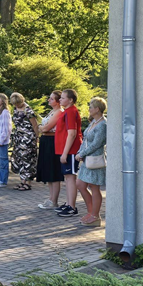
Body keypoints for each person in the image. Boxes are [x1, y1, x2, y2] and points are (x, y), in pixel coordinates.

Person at [76, 97, 107, 226]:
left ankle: (95, 216)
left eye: (90, 107)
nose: (88, 109)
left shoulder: (103, 124)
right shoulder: (93, 122)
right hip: (87, 159)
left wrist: (82, 153)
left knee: (94, 187)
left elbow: (96, 144)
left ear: (97, 109)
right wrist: (80, 152)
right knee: (80, 184)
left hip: (95, 160)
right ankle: (91, 212)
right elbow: (86, 140)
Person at [55, 89, 83, 217]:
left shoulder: (71, 112)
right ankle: (68, 203)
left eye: (63, 98)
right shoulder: (66, 111)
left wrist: (65, 153)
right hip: (65, 150)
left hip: (70, 150)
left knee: (71, 177)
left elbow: (72, 133)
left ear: (70, 100)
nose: (60, 100)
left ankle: (72, 207)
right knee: (67, 177)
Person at [36, 91, 65, 210]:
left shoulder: (59, 112)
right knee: (48, 171)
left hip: (52, 142)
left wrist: (42, 128)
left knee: (54, 171)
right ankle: (51, 198)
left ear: (58, 101)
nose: (49, 100)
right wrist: (42, 128)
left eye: (52, 99)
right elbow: (42, 127)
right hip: (46, 141)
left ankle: (54, 200)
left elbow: (46, 127)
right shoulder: (52, 112)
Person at [9, 92, 39, 191]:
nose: (17, 106)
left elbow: (35, 125)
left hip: (28, 138)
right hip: (18, 137)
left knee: (28, 159)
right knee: (19, 159)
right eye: (15, 104)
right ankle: (22, 181)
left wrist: (37, 137)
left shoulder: (28, 110)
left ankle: (28, 183)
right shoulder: (15, 109)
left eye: (18, 103)